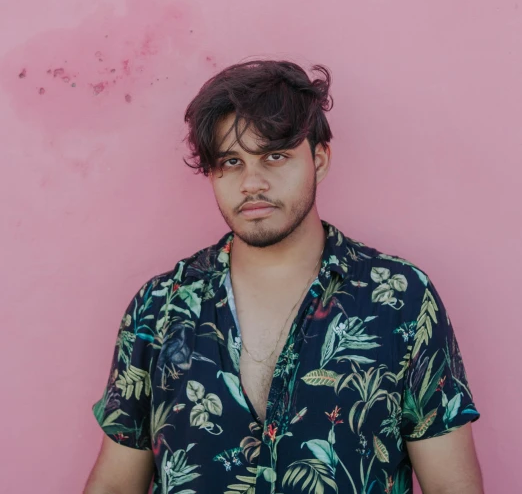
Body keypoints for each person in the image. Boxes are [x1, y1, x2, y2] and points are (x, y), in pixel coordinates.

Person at [84, 60, 483, 494]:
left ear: (320, 159)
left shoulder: (400, 299)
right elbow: (115, 483)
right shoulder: (159, 308)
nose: (252, 182)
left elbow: (453, 485)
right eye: (230, 161)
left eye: (274, 156)